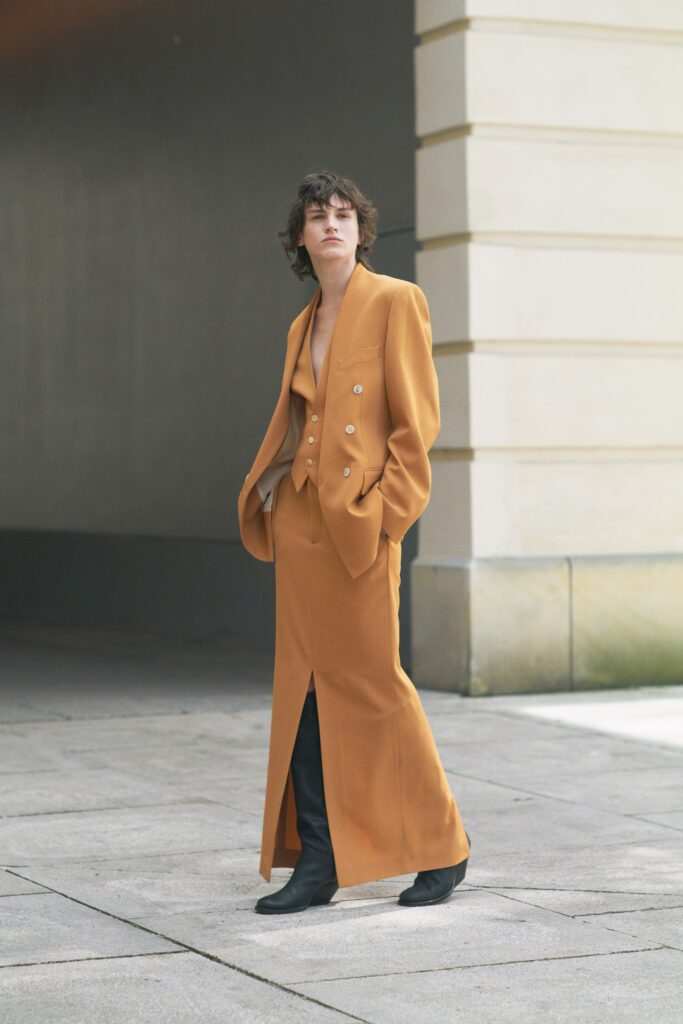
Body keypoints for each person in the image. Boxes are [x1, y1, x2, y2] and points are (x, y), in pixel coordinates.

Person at [237, 170, 471, 915]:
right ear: (300, 238)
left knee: (373, 683)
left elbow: (416, 427)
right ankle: (321, 859)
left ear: (360, 230)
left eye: (343, 214)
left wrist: (386, 517)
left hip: (360, 526)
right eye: (317, 216)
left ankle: (442, 845)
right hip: (302, 525)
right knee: (301, 692)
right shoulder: (299, 325)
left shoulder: (395, 300)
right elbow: (300, 424)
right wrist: (275, 493)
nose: (331, 224)